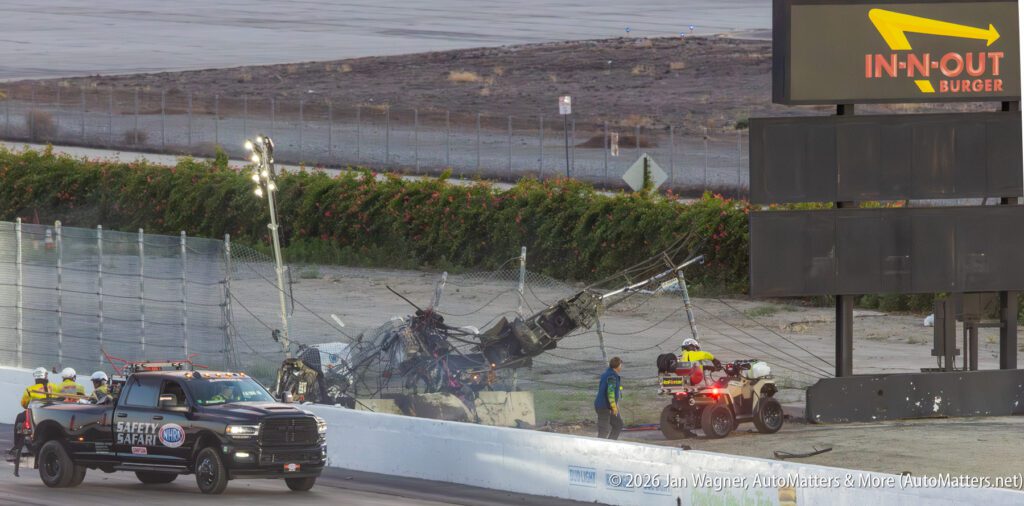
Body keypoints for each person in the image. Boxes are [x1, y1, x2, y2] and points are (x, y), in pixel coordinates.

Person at [8, 368, 54, 461]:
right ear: (45, 376)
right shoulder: (53, 387)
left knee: (19, 417)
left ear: (36, 377)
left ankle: (17, 446)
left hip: (35, 414)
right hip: (51, 413)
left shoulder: (30, 389)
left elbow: (24, 404)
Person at [594, 357, 624, 440]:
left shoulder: (607, 374)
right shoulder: (611, 376)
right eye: (621, 365)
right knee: (604, 431)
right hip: (603, 407)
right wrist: (614, 407)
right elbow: (610, 394)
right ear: (617, 366)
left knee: (618, 424)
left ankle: (611, 444)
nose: (621, 367)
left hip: (607, 406)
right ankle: (599, 448)